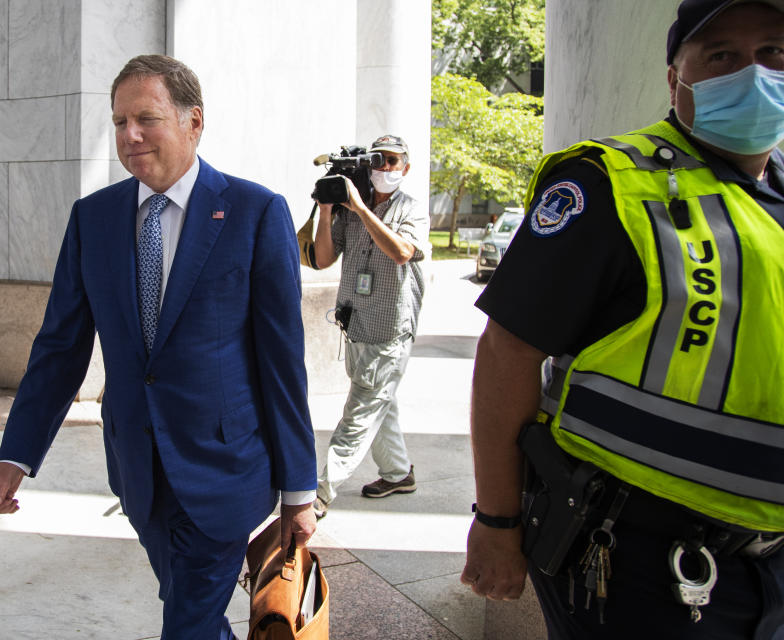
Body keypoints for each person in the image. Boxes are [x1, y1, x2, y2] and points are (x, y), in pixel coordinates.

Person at [460, 1, 784, 638]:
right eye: (722, 56)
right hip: (641, 562)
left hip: (768, 558)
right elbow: (507, 352)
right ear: (674, 78)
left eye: (774, 52)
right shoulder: (608, 184)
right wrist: (497, 524)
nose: (753, 75)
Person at [0, 55, 317, 640]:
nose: (129, 135)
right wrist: (18, 453)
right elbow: (60, 348)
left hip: (223, 474)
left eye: (147, 118)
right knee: (198, 616)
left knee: (186, 624)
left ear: (194, 122)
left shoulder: (255, 213)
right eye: (118, 122)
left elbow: (282, 363)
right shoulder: (93, 219)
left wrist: (299, 489)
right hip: (138, 474)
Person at [309, 135, 430, 518]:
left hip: (390, 328)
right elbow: (324, 258)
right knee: (381, 400)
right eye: (377, 160)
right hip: (356, 322)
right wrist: (327, 210)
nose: (384, 168)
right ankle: (397, 473)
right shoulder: (349, 208)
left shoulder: (411, 208)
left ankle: (320, 495)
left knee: (360, 410)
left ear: (405, 168)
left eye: (392, 161)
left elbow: (402, 252)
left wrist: (360, 208)